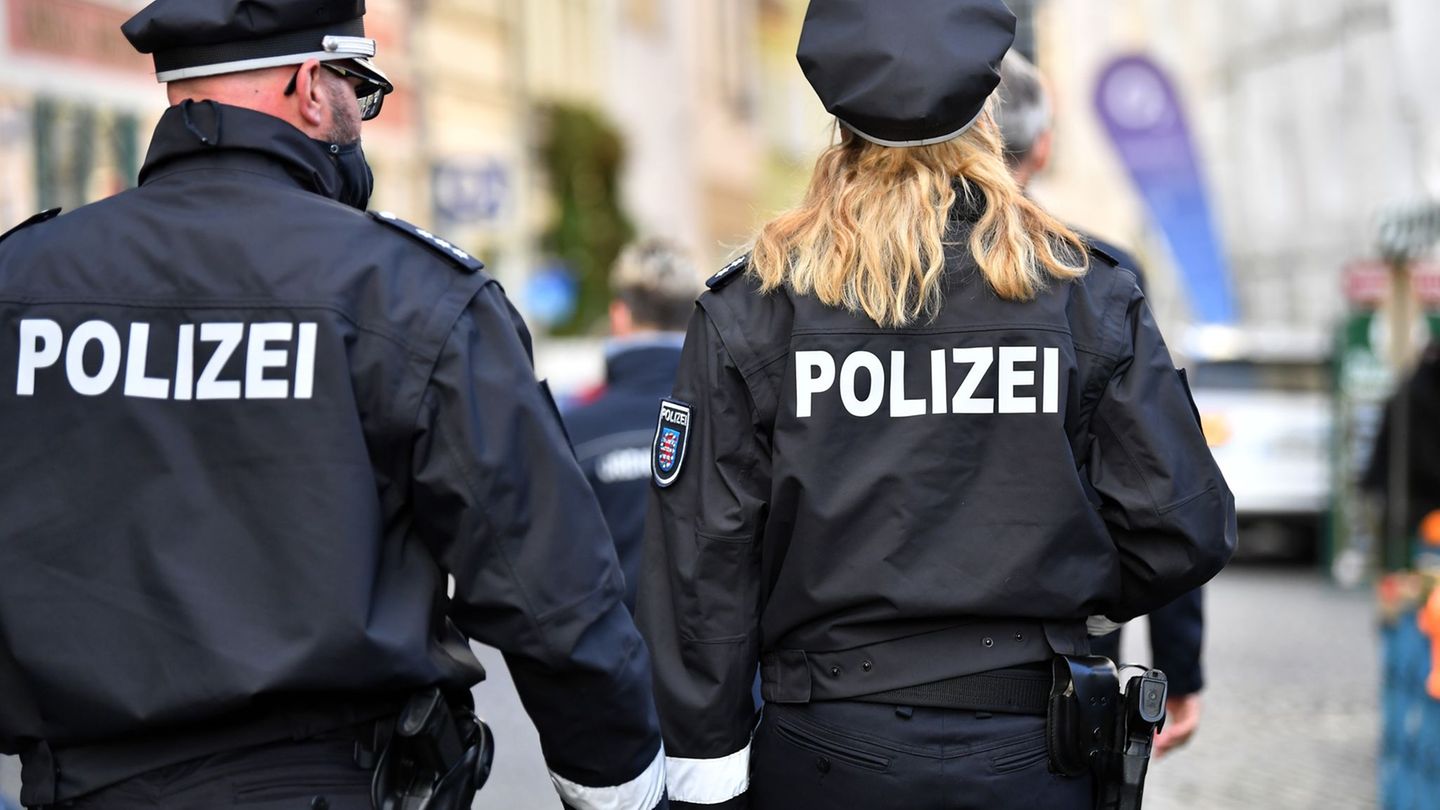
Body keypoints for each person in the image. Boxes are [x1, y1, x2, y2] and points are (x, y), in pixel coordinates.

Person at [0, 2, 666, 809]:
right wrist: (618, 787)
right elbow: (549, 592)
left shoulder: (23, 285)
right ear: (312, 85)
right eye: (362, 90)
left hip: (76, 784)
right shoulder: (407, 294)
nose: (362, 116)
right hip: (324, 783)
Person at [635, 1, 1237, 808]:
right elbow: (1182, 524)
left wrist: (705, 777)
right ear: (987, 111)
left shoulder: (759, 303)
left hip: (826, 745)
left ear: (838, 123)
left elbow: (701, 566)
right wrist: (1054, 585)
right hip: (1033, 751)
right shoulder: (1082, 294)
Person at [996, 51, 1208, 759]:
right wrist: (1179, 664)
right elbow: (1160, 485)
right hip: (1069, 654)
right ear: (1045, 145)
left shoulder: (860, 277)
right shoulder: (1098, 278)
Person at [565, 240, 699, 613]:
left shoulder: (572, 429)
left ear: (620, 315)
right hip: (716, 666)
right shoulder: (734, 422)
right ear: (693, 317)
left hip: (606, 662)